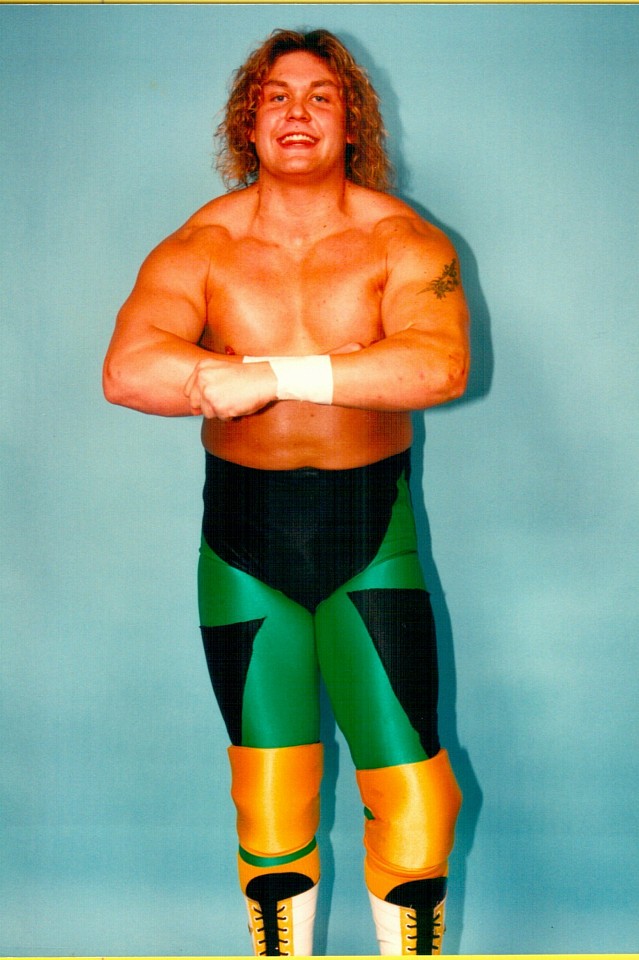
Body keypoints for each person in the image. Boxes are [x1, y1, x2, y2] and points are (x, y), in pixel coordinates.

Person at [103, 28, 469, 957]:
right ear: (248, 121)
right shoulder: (204, 244)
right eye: (275, 96)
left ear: (351, 123)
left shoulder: (401, 240)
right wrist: (342, 368)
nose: (296, 112)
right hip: (243, 547)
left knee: (417, 800)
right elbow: (129, 370)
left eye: (319, 96)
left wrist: (263, 375)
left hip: (367, 540)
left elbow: (435, 365)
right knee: (268, 801)